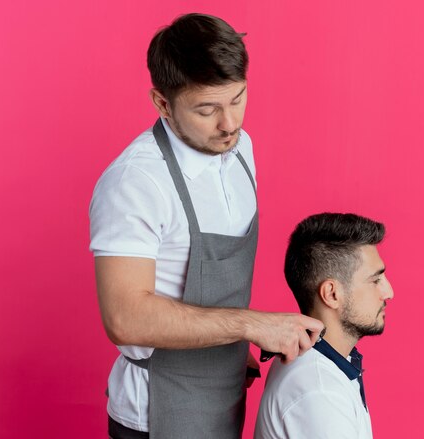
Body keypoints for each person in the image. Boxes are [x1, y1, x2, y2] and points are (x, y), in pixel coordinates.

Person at [89, 13, 324, 439]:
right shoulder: (135, 183)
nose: (229, 123)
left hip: (224, 398)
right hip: (155, 416)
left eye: (237, 99)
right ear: (162, 103)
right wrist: (251, 325)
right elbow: (125, 317)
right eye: (207, 109)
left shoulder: (239, 149)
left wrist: (230, 352)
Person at [254, 213, 394, 439]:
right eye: (375, 280)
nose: (389, 292)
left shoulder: (324, 365)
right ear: (332, 294)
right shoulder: (319, 391)